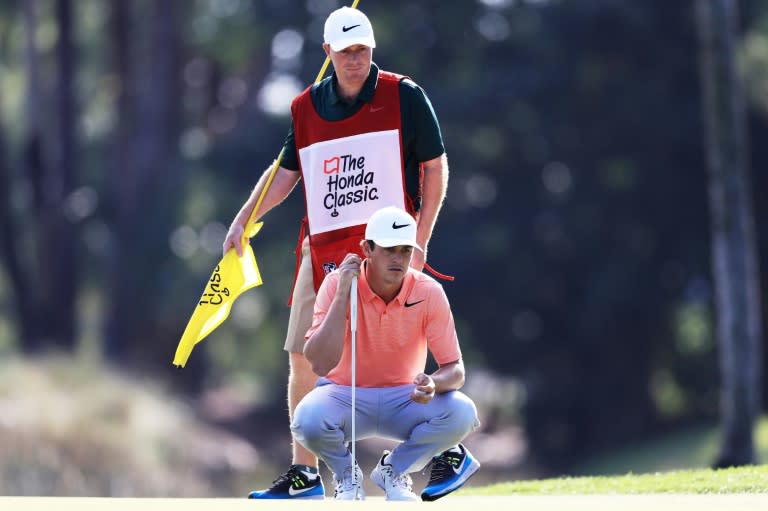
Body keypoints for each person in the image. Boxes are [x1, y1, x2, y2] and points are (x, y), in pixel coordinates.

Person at [221, 6, 475, 499]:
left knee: (409, 358)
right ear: (328, 53)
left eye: (363, 50)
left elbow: (435, 169)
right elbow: (286, 175)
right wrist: (243, 217)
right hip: (323, 251)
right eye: (346, 51)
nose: (356, 59)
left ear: (372, 50)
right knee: (301, 355)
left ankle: (441, 450)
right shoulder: (305, 108)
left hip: (389, 250)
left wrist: (418, 240)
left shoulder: (404, 95)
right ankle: (306, 475)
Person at [292, 206, 480, 501]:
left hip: (405, 399)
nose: (398, 259)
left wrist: (434, 383)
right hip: (345, 395)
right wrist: (343, 293)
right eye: (390, 249)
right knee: (306, 419)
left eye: (405, 251)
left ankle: (393, 470)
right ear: (367, 248)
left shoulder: (428, 292)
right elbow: (319, 362)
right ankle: (346, 477)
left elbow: (455, 369)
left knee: (463, 412)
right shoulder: (335, 284)